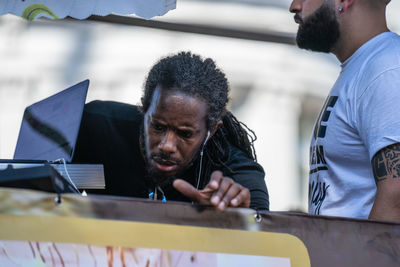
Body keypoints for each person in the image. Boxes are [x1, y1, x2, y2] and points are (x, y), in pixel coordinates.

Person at [73, 52, 269, 211]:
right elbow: (52, 186)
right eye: (157, 126)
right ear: (144, 110)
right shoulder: (98, 128)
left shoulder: (233, 172)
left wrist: (237, 220)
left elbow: (264, 238)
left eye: (185, 134)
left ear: (212, 131)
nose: (167, 145)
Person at [289, 0, 400, 221]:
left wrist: (366, 256)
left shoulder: (386, 69)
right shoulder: (366, 66)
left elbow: (396, 196)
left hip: (365, 255)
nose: (294, 6)